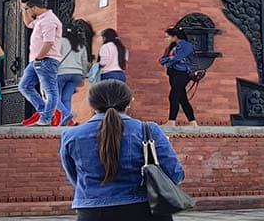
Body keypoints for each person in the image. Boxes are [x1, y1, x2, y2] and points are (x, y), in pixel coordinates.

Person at [60, 80, 185, 220]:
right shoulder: (148, 130)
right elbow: (175, 174)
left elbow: (75, 177)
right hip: (144, 208)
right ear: (128, 103)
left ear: (92, 104)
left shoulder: (71, 135)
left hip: (92, 210)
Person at [18, 0, 63, 126]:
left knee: (50, 90)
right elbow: (28, 24)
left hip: (46, 59)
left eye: (27, 9)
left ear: (34, 8)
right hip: (36, 60)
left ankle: (46, 119)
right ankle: (46, 112)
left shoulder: (49, 21)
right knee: (24, 86)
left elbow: (48, 42)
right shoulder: (40, 20)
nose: (27, 12)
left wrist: (39, 58)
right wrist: (23, 10)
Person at [158, 26, 197, 127]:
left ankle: (172, 121)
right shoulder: (172, 47)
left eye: (168, 37)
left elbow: (178, 57)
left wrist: (170, 60)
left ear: (175, 36)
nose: (167, 39)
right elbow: (163, 60)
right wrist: (171, 59)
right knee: (182, 98)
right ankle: (192, 121)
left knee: (174, 95)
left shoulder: (186, 45)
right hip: (173, 73)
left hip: (182, 73)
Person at [57, 25, 92, 126]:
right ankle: (64, 122)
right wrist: (84, 75)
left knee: (53, 97)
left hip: (61, 73)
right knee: (66, 98)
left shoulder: (60, 41)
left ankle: (67, 114)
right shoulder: (81, 45)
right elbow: (84, 62)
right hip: (76, 74)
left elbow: (55, 57)